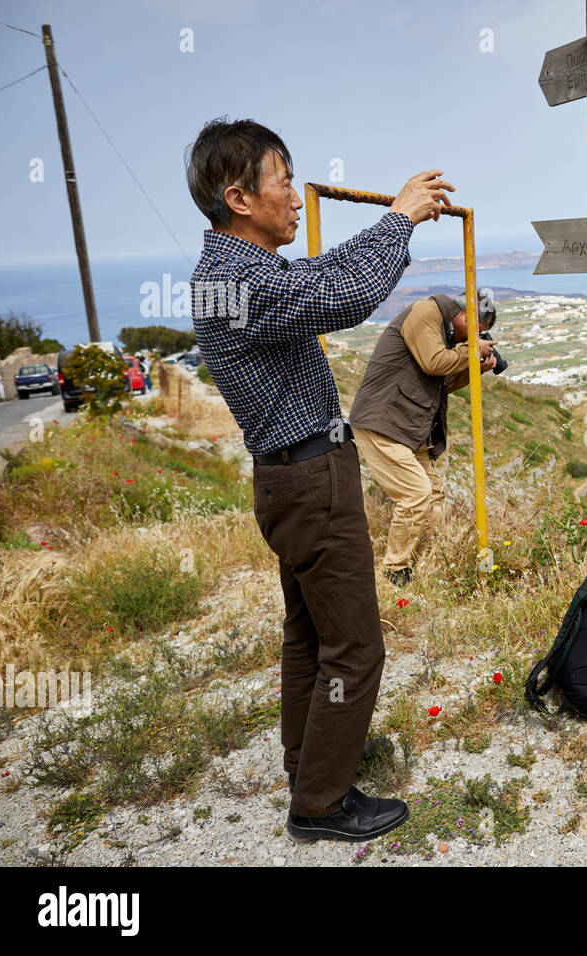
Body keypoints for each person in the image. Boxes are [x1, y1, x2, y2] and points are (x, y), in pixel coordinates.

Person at [186, 116, 454, 840]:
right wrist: (398, 219)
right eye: (283, 181)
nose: (296, 198)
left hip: (294, 477)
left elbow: (327, 275)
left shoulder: (238, 271)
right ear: (240, 198)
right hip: (309, 479)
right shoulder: (233, 283)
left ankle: (309, 761)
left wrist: (390, 227)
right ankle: (321, 805)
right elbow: (344, 297)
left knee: (310, 634)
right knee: (356, 644)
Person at [350, 291, 497, 588]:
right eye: (478, 332)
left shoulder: (445, 333)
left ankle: (427, 564)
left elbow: (440, 384)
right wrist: (472, 350)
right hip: (383, 423)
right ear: (466, 317)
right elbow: (434, 363)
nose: (477, 338)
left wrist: (475, 369)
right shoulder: (426, 313)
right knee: (416, 493)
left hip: (411, 428)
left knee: (434, 496)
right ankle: (395, 570)